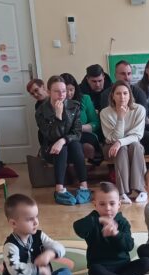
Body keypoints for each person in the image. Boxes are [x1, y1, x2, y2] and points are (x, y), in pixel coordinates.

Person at [73, 182, 149, 275]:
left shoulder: (122, 222)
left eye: (112, 204)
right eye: (102, 204)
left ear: (119, 204)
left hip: (123, 266)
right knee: (94, 270)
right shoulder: (92, 220)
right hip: (102, 268)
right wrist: (98, 220)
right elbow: (78, 228)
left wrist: (116, 234)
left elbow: (129, 246)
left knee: (147, 262)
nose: (108, 208)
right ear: (95, 204)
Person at [0, 194, 71, 275]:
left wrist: (49, 254)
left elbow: (60, 247)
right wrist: (38, 269)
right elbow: (14, 269)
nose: (36, 222)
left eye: (36, 217)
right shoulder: (10, 246)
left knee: (65, 273)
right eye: (29, 219)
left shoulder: (39, 235)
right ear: (13, 223)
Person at [36, 75, 92, 206]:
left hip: (70, 146)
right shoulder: (41, 111)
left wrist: (63, 140)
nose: (61, 95)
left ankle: (84, 186)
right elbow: (51, 136)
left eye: (64, 91)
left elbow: (77, 133)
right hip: (51, 149)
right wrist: (58, 116)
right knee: (62, 149)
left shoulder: (74, 106)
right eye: (57, 91)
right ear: (49, 92)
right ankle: (59, 189)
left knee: (75, 145)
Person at [100, 81, 148, 204]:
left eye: (125, 93)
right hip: (111, 147)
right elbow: (113, 138)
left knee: (136, 146)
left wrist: (120, 142)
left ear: (130, 95)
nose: (122, 97)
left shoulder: (139, 109)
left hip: (131, 145)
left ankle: (141, 189)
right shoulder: (105, 113)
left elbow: (137, 135)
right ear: (113, 96)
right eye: (118, 93)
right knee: (122, 149)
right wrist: (120, 118)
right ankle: (122, 193)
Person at [60, 73, 103, 165]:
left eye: (71, 90)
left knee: (86, 146)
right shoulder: (56, 102)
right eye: (65, 90)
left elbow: (96, 123)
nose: (69, 94)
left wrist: (80, 127)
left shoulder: (85, 99)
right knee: (73, 147)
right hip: (65, 137)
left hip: (83, 134)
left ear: (75, 88)